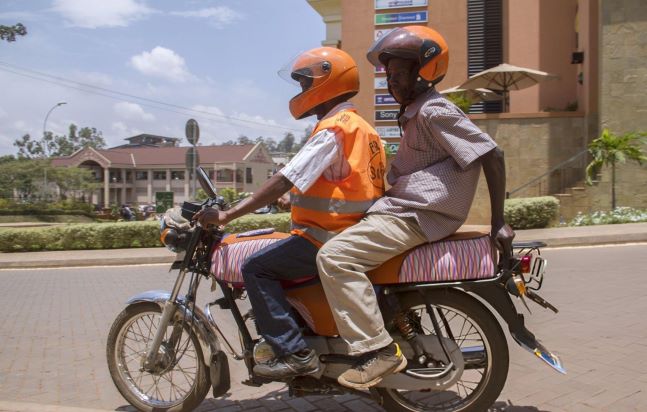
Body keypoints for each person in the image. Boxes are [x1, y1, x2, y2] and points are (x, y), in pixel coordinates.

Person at [316, 25, 516, 390]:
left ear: (424, 71)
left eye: (398, 73)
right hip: (408, 211)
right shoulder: (415, 114)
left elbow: (493, 153)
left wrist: (499, 222)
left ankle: (378, 350)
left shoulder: (433, 111)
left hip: (417, 216)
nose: (390, 82)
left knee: (335, 258)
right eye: (387, 75)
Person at [193, 47, 387, 379]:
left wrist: (227, 216)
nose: (302, 93)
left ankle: (294, 352)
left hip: (326, 237)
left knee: (256, 267)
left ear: (327, 81)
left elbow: (284, 178)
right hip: (352, 232)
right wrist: (293, 199)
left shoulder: (333, 129)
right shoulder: (363, 129)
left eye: (305, 84)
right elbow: (341, 184)